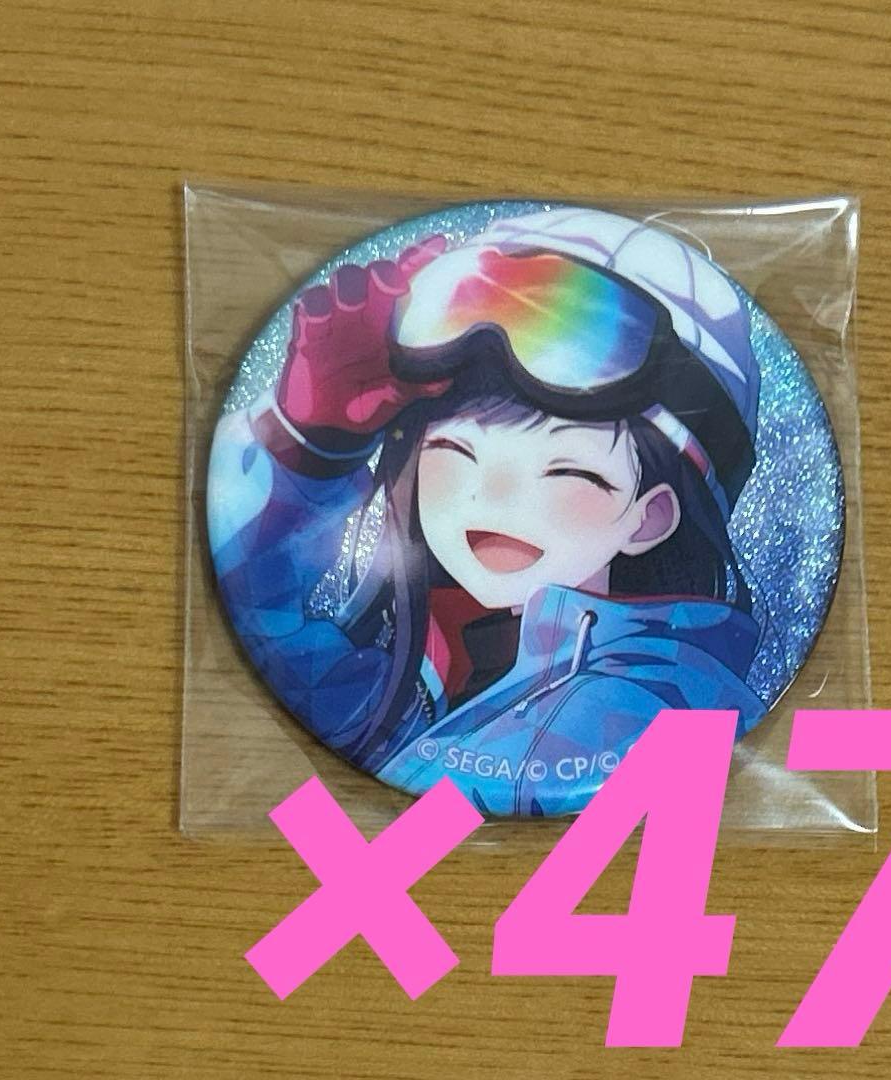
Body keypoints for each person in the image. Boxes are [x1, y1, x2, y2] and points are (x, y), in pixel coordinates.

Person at [208, 208, 765, 815]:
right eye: (455, 450)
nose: (492, 496)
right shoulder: (426, 678)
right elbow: (260, 639)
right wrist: (304, 445)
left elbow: (431, 829)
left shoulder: (643, 709)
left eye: (567, 470)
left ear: (650, 517)